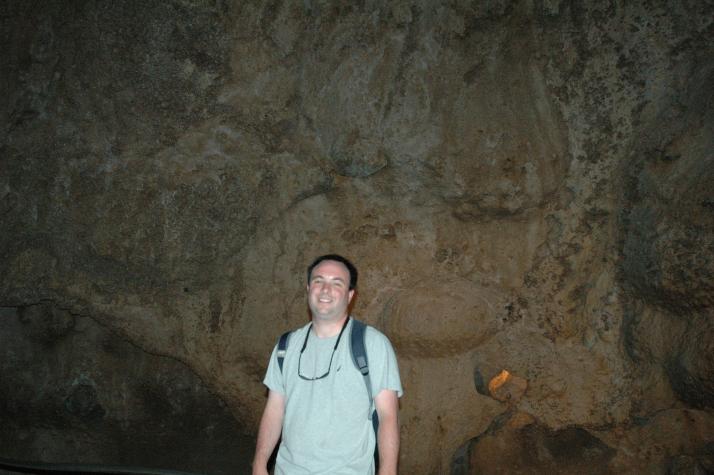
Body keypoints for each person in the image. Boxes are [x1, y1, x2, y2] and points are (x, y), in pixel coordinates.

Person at [252, 254, 403, 475]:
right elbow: (275, 410)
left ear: (350, 295)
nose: (325, 289)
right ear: (308, 288)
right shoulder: (286, 346)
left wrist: (388, 472)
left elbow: (388, 416)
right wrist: (259, 464)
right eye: (318, 281)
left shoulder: (372, 344)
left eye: (336, 283)